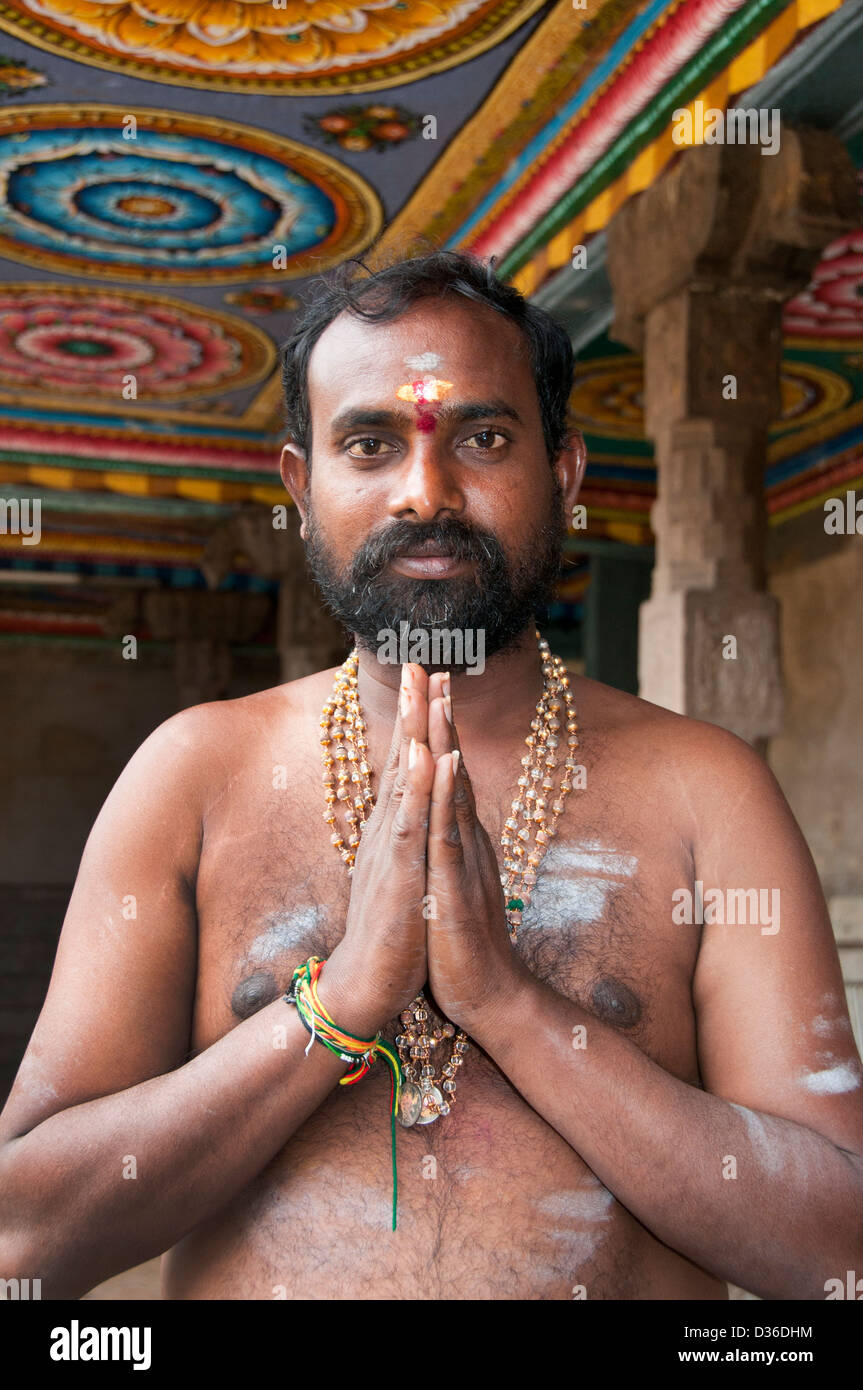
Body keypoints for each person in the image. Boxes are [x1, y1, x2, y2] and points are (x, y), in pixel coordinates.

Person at [2, 251, 861, 1301]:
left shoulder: (704, 791)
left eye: (483, 438)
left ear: (564, 473)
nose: (426, 490)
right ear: (302, 484)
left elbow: (840, 1254)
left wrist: (509, 1004)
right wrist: (341, 1004)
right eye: (369, 443)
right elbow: (22, 1239)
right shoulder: (191, 775)